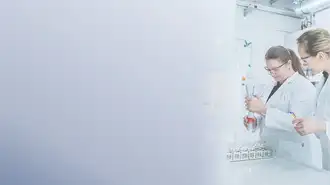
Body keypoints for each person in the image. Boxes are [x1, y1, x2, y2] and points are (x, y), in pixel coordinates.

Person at [245, 46, 322, 169]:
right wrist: (255, 120)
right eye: (269, 70)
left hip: (293, 155)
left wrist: (262, 109)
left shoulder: (303, 87)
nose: (272, 73)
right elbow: (266, 116)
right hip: (271, 150)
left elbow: (296, 122)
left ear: (288, 64)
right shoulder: (271, 85)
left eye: (275, 69)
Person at [293, 28, 330, 171]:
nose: (303, 65)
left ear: (321, 56)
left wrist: (320, 126)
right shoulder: (324, 79)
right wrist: (310, 124)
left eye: (305, 59)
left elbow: (324, 124)